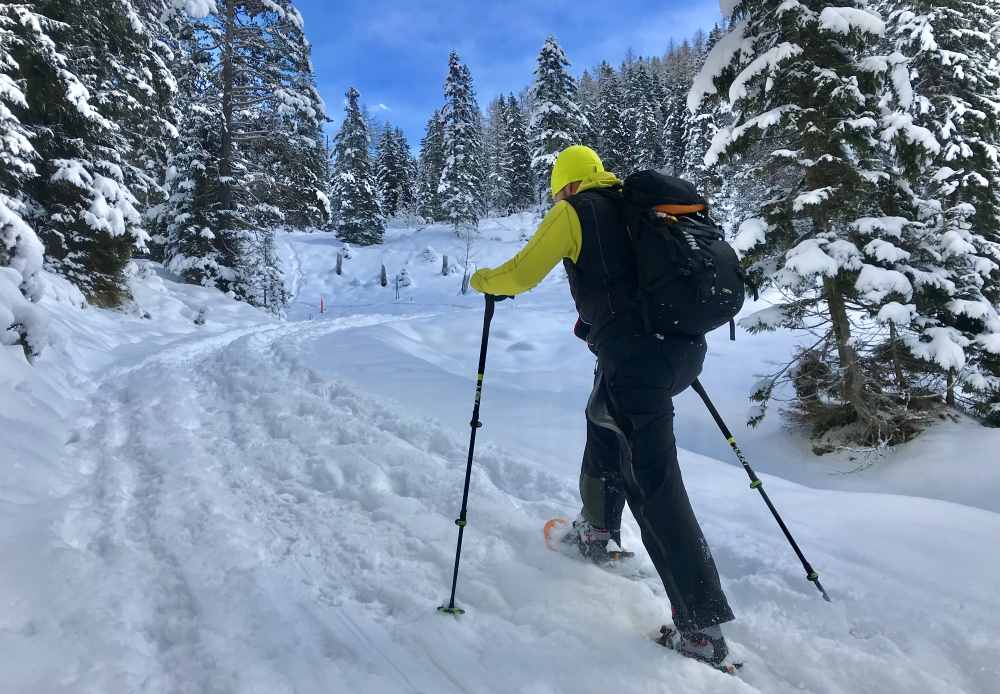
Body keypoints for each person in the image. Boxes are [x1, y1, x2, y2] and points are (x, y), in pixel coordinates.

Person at [470, 145, 736, 668]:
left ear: (566, 186)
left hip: (639, 365)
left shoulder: (576, 211)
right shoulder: (634, 211)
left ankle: (701, 629)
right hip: (678, 354)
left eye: (556, 191)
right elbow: (628, 285)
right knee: (601, 418)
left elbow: (520, 275)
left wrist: (483, 281)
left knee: (655, 485)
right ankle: (596, 530)